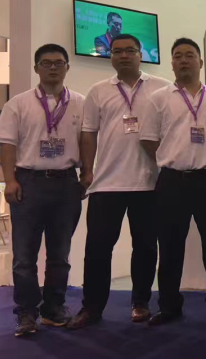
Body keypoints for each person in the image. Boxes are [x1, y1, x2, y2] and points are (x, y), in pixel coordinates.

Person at [67, 34, 171, 330]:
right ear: (110, 56)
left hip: (149, 183)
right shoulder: (98, 91)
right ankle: (91, 308)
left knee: (146, 247)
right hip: (106, 184)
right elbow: (89, 134)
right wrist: (87, 172)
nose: (123, 55)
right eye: (117, 51)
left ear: (140, 54)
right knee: (97, 249)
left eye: (129, 50)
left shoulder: (162, 88)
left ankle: (141, 302)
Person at [0, 44, 85, 337]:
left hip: (67, 183)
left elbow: (87, 142)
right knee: (24, 256)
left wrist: (87, 174)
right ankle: (26, 313)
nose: (53, 67)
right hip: (28, 183)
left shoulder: (81, 103)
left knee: (60, 254)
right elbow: (7, 145)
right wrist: (9, 180)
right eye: (46, 63)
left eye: (59, 62)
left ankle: (54, 309)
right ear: (36, 69)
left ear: (67, 67)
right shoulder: (18, 104)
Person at [139, 37, 206, 326]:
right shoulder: (158, 98)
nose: (183, 60)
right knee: (169, 247)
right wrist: (173, 158)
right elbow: (147, 139)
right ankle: (169, 306)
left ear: (200, 62)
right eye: (177, 56)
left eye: (189, 55)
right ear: (172, 63)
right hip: (172, 181)